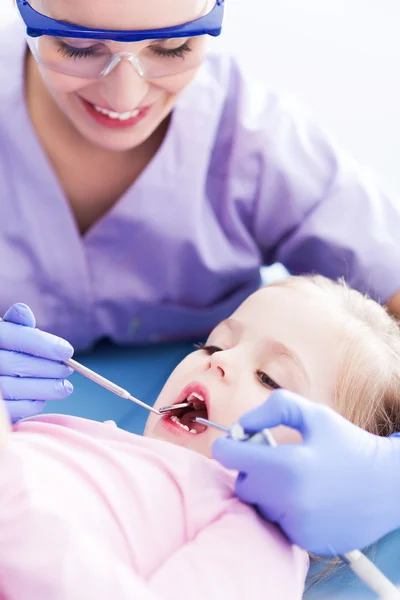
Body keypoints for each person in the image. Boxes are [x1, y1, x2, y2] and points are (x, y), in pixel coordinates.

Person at [2, 0, 400, 424]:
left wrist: (381, 465)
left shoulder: (257, 143)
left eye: (173, 47)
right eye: (77, 47)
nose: (125, 95)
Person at [1, 272, 400, 596]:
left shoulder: (255, 538)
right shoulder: (85, 437)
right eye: (214, 345)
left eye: (269, 378)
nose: (221, 361)